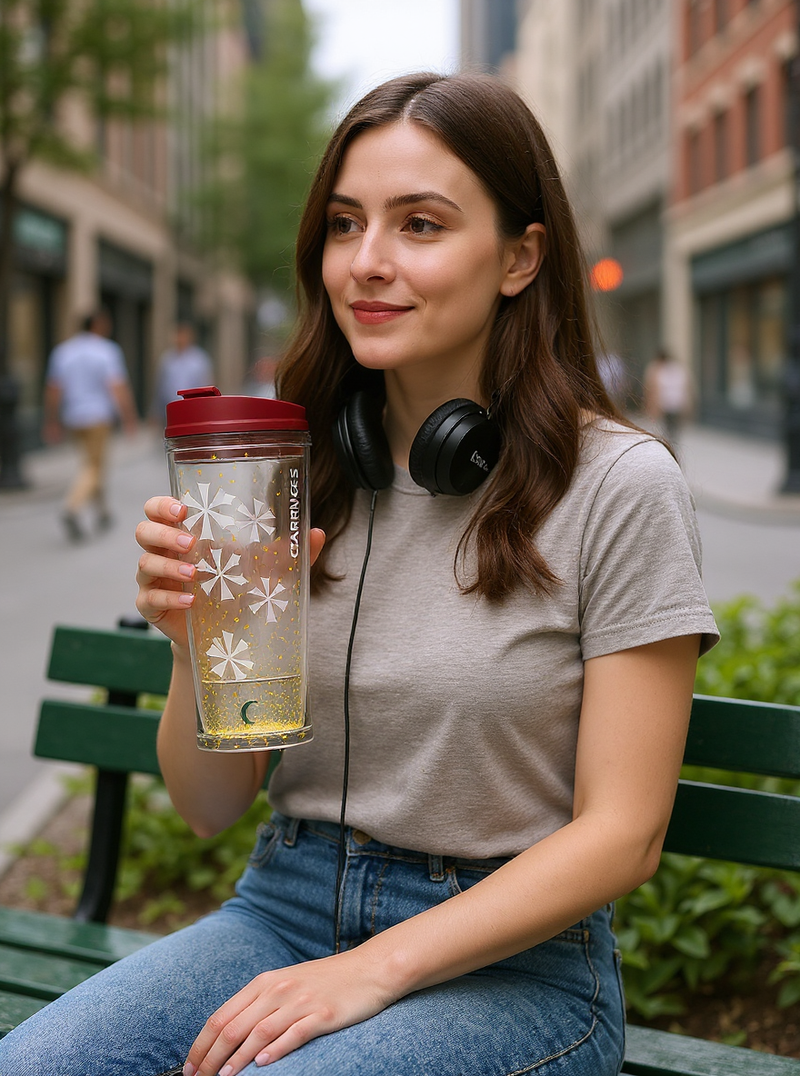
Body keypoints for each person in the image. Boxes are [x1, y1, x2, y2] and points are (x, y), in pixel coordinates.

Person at [1, 72, 719, 1076]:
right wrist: (193, 643)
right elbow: (210, 805)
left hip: (513, 971)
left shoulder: (618, 483)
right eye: (345, 223)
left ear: (520, 256)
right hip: (280, 910)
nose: (366, 263)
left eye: (418, 224)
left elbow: (623, 834)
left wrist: (371, 967)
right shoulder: (294, 474)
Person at [42, 309, 139, 541]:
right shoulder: (107, 351)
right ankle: (71, 508)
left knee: (92, 465)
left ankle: (103, 512)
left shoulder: (63, 351)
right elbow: (117, 386)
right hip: (97, 418)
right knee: (94, 467)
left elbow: (54, 389)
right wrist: (129, 417)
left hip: (73, 418)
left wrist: (51, 420)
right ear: (98, 325)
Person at [151, 322, 214, 426]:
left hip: (193, 410)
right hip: (171, 410)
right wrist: (155, 413)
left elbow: (207, 384)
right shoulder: (167, 359)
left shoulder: (199, 360)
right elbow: (160, 388)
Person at [643, 348, 692, 447]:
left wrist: (651, 406)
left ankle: (670, 445)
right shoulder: (679, 369)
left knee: (666, 428)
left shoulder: (659, 370)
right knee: (673, 429)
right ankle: (673, 444)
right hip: (677, 403)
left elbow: (654, 389)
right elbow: (685, 387)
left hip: (665, 404)